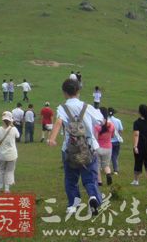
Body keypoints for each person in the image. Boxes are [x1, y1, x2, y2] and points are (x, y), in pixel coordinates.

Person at [48, 79, 104, 216]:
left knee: (71, 178)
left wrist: (52, 139)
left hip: (69, 149)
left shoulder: (62, 108)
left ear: (64, 92)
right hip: (89, 147)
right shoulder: (87, 107)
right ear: (78, 91)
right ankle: (93, 197)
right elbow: (101, 120)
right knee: (90, 176)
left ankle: (73, 205)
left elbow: (58, 122)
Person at [0, 111, 20, 193]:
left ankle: (0, 186)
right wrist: (12, 125)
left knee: (1, 170)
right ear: (10, 120)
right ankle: (7, 189)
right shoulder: (14, 129)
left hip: (1, 154)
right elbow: (18, 136)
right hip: (12, 154)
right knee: (9, 171)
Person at [94, 107, 115, 186]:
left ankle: (99, 181)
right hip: (108, 148)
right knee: (106, 165)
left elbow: (95, 138)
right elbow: (112, 136)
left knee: (97, 165)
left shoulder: (97, 126)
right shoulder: (111, 125)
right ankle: (108, 174)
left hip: (98, 147)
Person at [108, 108, 123, 175]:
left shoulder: (106, 121)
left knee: (107, 156)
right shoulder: (118, 120)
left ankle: (106, 169)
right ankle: (115, 170)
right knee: (115, 156)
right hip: (116, 141)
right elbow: (120, 130)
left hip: (108, 141)